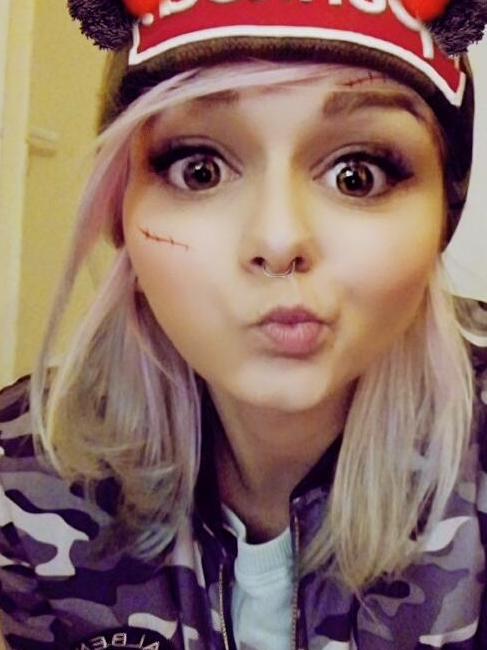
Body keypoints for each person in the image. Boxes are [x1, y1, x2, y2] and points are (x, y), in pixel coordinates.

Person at [1, 0, 487, 648]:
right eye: (199, 169)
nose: (278, 239)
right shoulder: (24, 482)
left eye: (357, 175)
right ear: (120, 209)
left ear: (441, 215)